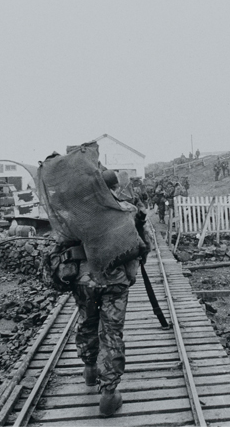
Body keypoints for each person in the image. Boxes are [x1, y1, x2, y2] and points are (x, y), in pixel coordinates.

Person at [71, 168, 148, 417]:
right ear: (115, 188)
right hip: (114, 281)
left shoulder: (78, 213)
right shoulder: (127, 210)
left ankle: (90, 370)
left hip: (84, 279)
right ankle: (108, 395)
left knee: (86, 322)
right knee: (111, 333)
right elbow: (140, 246)